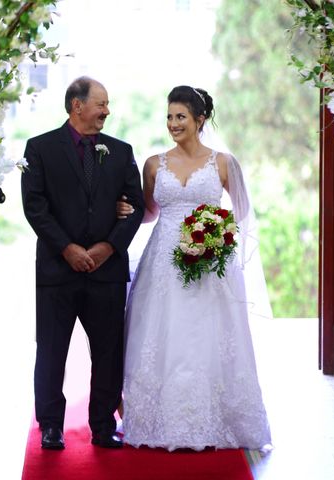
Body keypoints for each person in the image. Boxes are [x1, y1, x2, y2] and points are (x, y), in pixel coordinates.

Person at [117, 85, 272, 451]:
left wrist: (217, 236)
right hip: (162, 263)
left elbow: (243, 210)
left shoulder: (222, 163)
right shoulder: (155, 164)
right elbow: (151, 212)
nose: (173, 124)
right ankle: (159, 421)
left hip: (208, 262)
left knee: (205, 336)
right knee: (163, 334)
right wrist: (129, 212)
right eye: (169, 117)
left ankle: (215, 420)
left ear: (200, 120)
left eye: (180, 117)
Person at [21, 76, 144, 450]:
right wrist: (68, 248)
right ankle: (51, 426)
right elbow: (35, 207)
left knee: (109, 352)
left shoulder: (121, 151)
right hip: (58, 270)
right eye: (101, 104)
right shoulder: (38, 148)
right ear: (77, 106)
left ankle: (103, 424)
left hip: (106, 271)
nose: (107, 111)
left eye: (106, 105)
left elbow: (136, 206)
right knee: (52, 350)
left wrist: (108, 247)